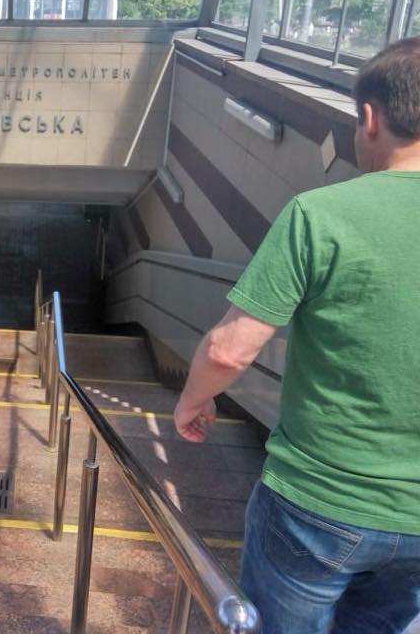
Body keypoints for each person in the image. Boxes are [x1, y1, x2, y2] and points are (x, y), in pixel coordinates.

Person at [173, 38, 420, 633]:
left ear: (370, 118)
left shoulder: (321, 214)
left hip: (319, 500)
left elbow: (230, 348)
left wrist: (193, 400)